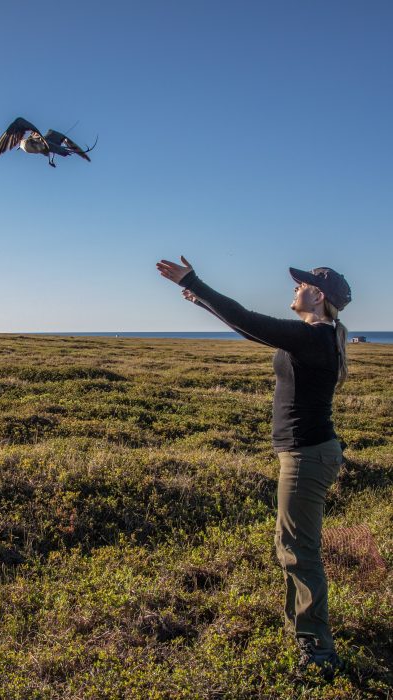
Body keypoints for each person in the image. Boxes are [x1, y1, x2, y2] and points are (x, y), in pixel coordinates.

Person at [156, 256, 352, 679]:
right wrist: (202, 301)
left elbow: (249, 319)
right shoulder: (318, 335)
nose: (294, 289)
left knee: (299, 553)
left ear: (317, 296)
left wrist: (194, 281)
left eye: (301, 285)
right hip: (307, 453)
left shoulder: (313, 338)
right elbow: (251, 329)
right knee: (291, 547)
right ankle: (302, 631)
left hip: (306, 456)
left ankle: (318, 651)